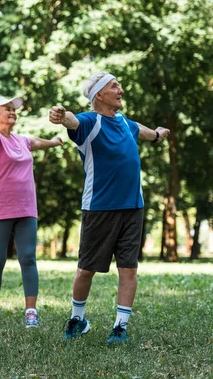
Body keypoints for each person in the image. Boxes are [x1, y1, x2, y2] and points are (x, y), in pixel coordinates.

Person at [49, 71, 170, 344]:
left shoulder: (127, 125)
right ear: (99, 95)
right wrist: (62, 114)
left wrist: (160, 134)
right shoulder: (90, 122)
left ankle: (120, 327)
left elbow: (147, 132)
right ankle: (77, 319)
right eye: (115, 86)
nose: (121, 91)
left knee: (129, 269)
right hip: (99, 208)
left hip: (133, 207)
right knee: (85, 269)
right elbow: (72, 120)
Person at [0, 96, 63, 329]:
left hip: (26, 208)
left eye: (14, 109)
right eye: (8, 109)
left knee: (28, 258)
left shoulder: (21, 140)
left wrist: (54, 142)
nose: (13, 112)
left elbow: (36, 142)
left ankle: (31, 311)